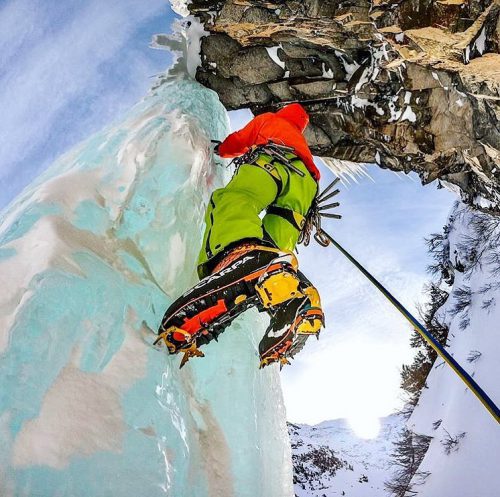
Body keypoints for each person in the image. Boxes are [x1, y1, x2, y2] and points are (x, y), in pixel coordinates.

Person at [157, 103, 325, 368]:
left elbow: (240, 140)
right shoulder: (302, 143)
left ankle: (236, 258)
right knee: (275, 252)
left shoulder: (270, 121)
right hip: (305, 190)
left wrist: (220, 150)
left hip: (275, 162)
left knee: (235, 200)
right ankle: (293, 299)